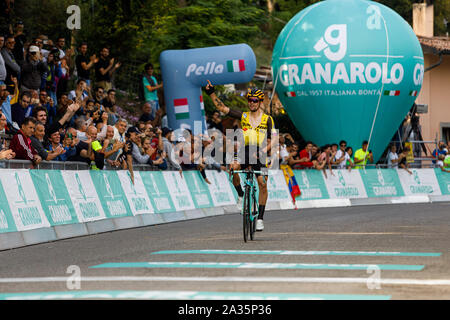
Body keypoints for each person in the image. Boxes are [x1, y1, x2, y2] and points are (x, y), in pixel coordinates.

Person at [205, 80, 276, 232]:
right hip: (245, 151)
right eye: (249, 100)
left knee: (262, 183)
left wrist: (263, 151)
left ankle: (260, 219)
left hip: (261, 154)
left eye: (254, 100)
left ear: (260, 102)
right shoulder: (243, 116)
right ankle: (241, 194)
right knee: (233, 168)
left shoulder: (267, 119)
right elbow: (221, 107)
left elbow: (273, 140)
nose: (251, 103)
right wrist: (211, 93)